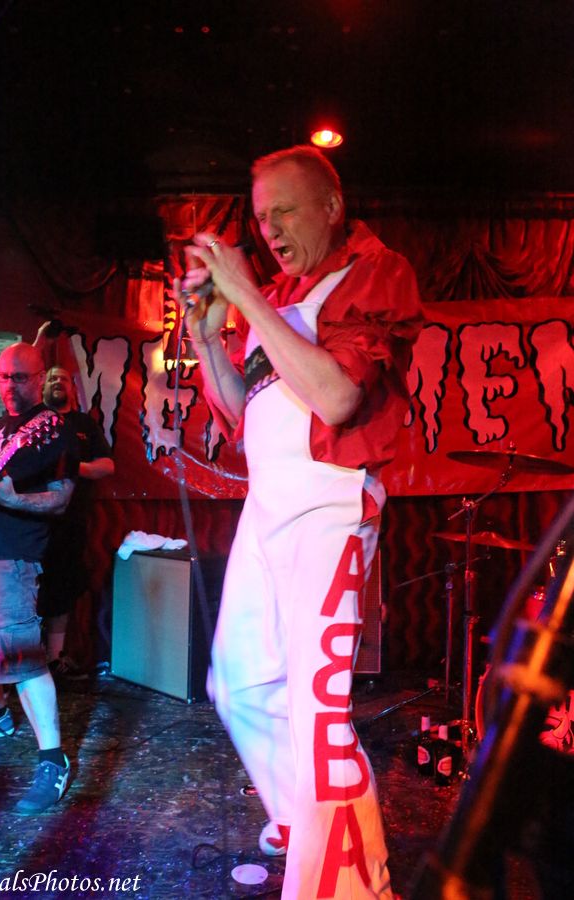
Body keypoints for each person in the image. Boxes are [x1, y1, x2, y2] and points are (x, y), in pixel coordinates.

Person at [177, 146, 424, 898]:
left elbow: (337, 397)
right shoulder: (281, 294)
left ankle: (352, 885)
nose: (271, 229)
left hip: (328, 506)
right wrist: (205, 331)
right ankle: (311, 826)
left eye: (284, 210)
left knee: (318, 717)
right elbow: (239, 408)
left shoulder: (374, 270)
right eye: (260, 217)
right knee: (240, 686)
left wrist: (246, 297)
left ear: (331, 207)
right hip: (267, 506)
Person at [0, 342, 79, 814]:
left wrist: (11, 499)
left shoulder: (53, 430)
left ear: (39, 378)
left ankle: (54, 761)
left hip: (12, 553)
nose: (8, 386)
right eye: (2, 377)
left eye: (18, 377)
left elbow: (60, 498)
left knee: (22, 655)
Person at [37, 366, 114, 680]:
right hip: (30, 523)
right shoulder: (32, 421)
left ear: (72, 387)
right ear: (42, 385)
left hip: (71, 523)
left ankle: (54, 660)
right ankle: (24, 662)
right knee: (29, 592)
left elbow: (107, 465)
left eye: (63, 379)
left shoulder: (84, 424)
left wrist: (71, 467)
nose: (58, 382)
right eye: (52, 378)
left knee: (63, 590)